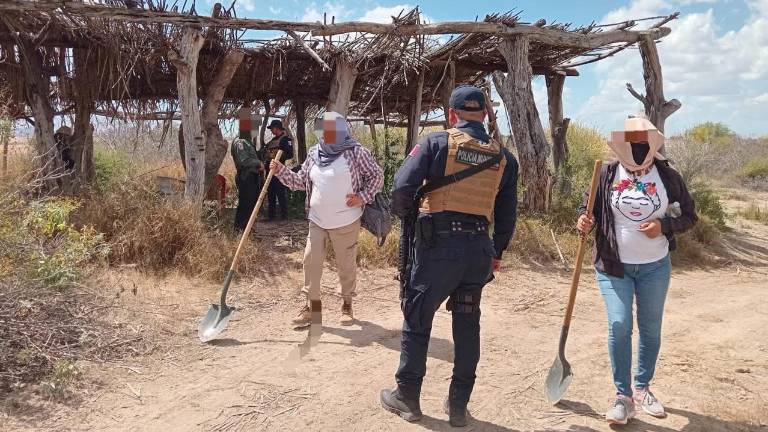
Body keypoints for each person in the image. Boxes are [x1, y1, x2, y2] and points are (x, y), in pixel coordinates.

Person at [379, 85, 518, 427]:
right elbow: (507, 212)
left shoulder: (436, 142)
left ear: (452, 115)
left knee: (417, 318)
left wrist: (407, 216)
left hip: (438, 247)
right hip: (478, 252)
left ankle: (407, 397)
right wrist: (497, 251)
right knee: (468, 324)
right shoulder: (503, 158)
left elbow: (401, 189)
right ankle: (458, 407)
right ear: (485, 114)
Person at [577, 116, 697, 425]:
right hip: (612, 265)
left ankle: (642, 388)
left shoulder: (669, 177)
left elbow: (690, 216)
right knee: (619, 324)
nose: (636, 149)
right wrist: (583, 221)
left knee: (650, 328)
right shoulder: (604, 173)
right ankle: (623, 396)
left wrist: (664, 226)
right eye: (631, 144)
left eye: (642, 144)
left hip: (655, 267)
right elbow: (585, 209)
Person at [269, 111, 383, 327]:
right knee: (310, 262)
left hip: (346, 220)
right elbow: (300, 182)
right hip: (317, 219)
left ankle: (346, 305)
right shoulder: (314, 153)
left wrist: (362, 197)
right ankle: (312, 308)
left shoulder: (356, 152)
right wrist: (280, 171)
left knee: (345, 265)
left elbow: (377, 176)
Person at [231, 137, 263, 231]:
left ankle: (247, 230)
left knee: (251, 205)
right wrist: (258, 163)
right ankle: (240, 231)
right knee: (245, 205)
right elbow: (243, 161)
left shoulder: (248, 142)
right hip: (246, 178)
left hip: (252, 177)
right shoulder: (241, 141)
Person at [265, 119, 294, 220]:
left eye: (272, 128)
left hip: (279, 171)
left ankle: (284, 216)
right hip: (270, 171)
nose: (271, 130)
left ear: (276, 128)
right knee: (271, 193)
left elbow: (290, 154)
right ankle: (271, 216)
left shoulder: (286, 140)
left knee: (281, 193)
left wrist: (279, 158)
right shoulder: (272, 141)